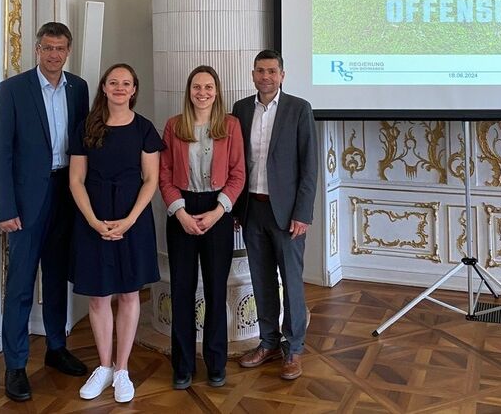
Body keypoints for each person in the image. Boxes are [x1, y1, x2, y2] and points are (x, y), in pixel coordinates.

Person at [0, 22, 89, 402]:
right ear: (36, 49)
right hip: (27, 203)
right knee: (20, 285)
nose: (54, 55)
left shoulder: (78, 88)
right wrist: (5, 207)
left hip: (67, 193)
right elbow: (1, 152)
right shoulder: (12, 90)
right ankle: (15, 365)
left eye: (60, 48)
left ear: (68, 51)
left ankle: (56, 347)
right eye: (47, 47)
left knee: (57, 277)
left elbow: (84, 143)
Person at [68, 63, 164, 403]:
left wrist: (130, 219)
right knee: (97, 296)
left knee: (128, 293)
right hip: (92, 218)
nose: (120, 88)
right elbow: (76, 179)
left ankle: (122, 370)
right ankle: (104, 366)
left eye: (126, 83)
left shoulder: (145, 129)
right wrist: (94, 221)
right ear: (104, 88)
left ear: (134, 89)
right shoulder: (85, 127)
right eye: (114, 82)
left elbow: (151, 179)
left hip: (132, 219)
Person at [232, 49, 317, 380]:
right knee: (261, 280)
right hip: (253, 209)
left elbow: (309, 167)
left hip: (288, 214)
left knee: (291, 283)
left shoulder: (299, 109)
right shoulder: (240, 110)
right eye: (259, 71)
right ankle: (267, 343)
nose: (265, 76)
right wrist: (237, 207)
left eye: (271, 71)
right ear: (252, 75)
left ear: (282, 75)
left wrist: (303, 213)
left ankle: (293, 349)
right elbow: (237, 163)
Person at [159, 65, 245, 390]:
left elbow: (238, 174)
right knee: (181, 291)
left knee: (215, 291)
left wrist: (217, 212)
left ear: (217, 91)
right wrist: (180, 213)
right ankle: (182, 366)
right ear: (189, 91)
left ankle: (215, 363)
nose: (203, 93)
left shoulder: (231, 126)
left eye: (209, 87)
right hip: (181, 211)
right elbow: (164, 175)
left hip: (217, 212)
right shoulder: (173, 126)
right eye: (197, 87)